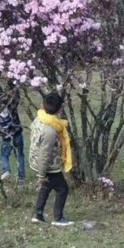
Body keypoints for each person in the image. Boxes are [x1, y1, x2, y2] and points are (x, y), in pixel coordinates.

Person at [29, 92, 74, 226]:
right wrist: (41, 174)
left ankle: (38, 214)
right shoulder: (50, 130)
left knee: (46, 186)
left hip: (36, 160)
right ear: (60, 109)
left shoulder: (39, 118)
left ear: (42, 106)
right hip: (48, 165)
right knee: (62, 189)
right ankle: (58, 218)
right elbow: (45, 153)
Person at [0, 82, 25, 183]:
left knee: (4, 155)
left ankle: (6, 170)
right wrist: (14, 87)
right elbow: (16, 99)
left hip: (6, 138)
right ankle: (21, 177)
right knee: (20, 155)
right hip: (17, 135)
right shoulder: (12, 107)